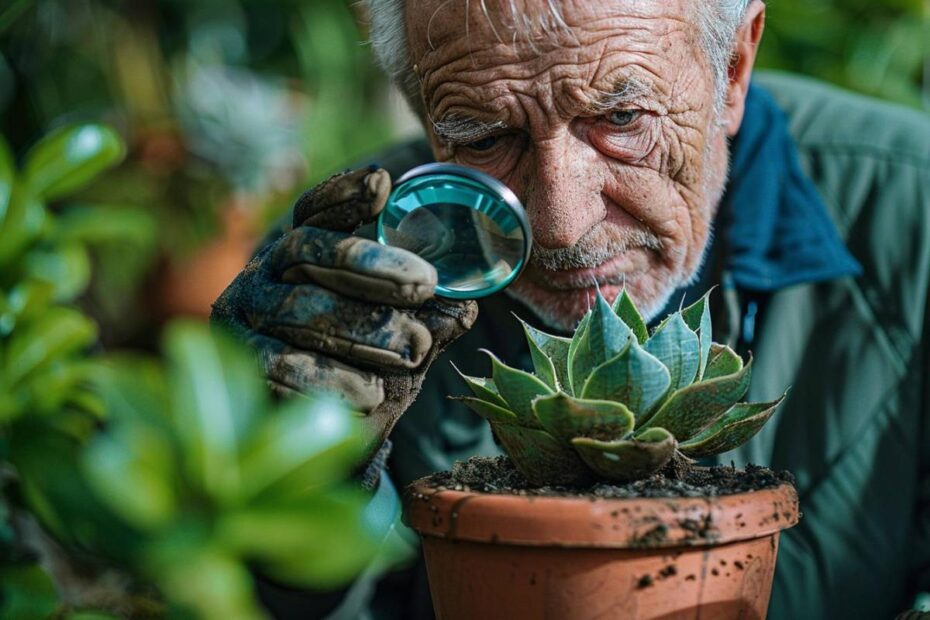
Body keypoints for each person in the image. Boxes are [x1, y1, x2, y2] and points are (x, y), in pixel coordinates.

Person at [211, 1, 930, 617]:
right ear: (422, 107)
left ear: (733, 68)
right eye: (485, 137)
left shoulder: (914, 216)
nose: (561, 226)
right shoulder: (344, 281)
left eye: (621, 118)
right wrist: (293, 477)